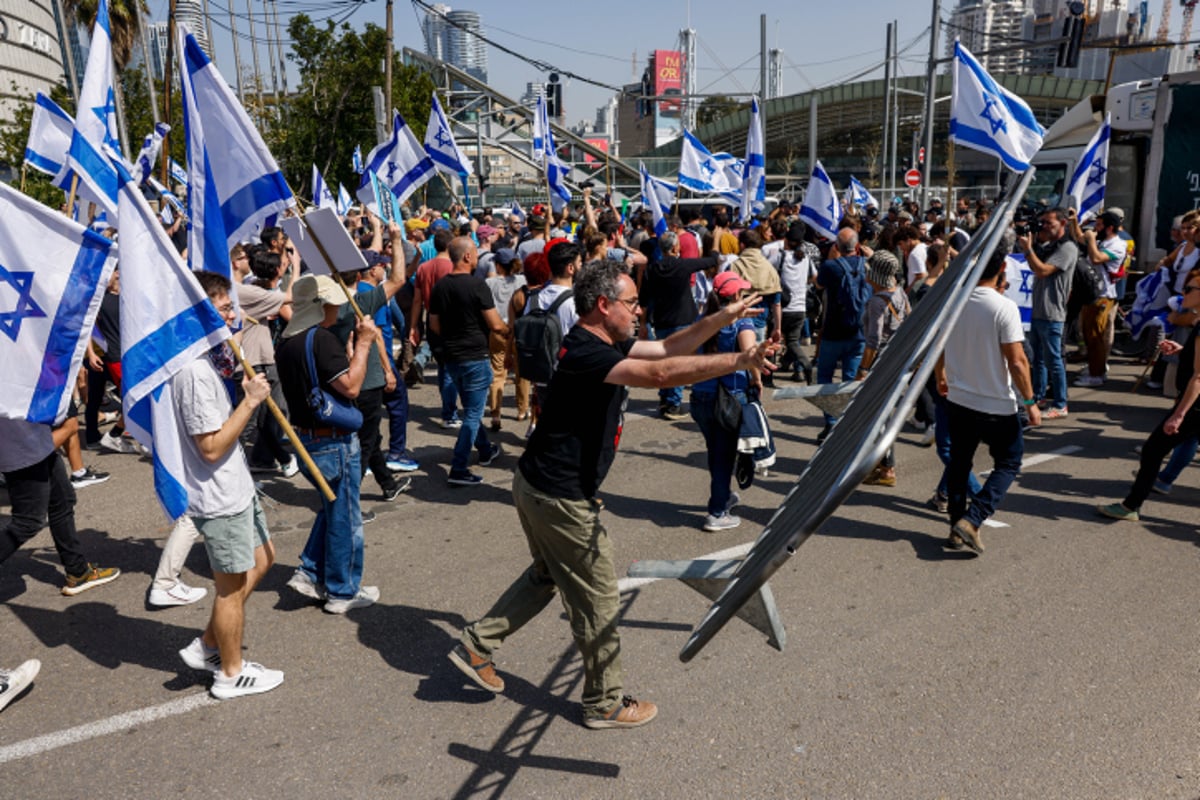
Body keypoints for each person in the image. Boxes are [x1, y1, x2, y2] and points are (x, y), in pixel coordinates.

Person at [448, 260, 778, 730]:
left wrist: (726, 317)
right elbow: (663, 374)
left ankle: (476, 646)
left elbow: (668, 346)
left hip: (539, 485)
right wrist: (739, 360)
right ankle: (604, 702)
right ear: (603, 306)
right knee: (599, 597)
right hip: (560, 495)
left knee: (547, 574)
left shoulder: (602, 339)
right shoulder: (589, 353)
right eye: (630, 303)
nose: (639, 310)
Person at [172, 271, 283, 699]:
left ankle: (208, 645)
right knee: (231, 590)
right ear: (201, 313)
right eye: (223, 308)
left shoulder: (210, 359)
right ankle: (230, 674)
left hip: (235, 487)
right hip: (217, 495)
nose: (232, 314)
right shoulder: (195, 373)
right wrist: (251, 400)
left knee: (264, 559)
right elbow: (212, 447)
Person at [277, 274, 381, 613]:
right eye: (333, 300)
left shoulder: (288, 340)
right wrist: (364, 344)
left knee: (333, 508)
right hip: (332, 441)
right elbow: (350, 387)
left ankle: (310, 570)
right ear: (321, 306)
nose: (339, 305)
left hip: (305, 439)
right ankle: (342, 591)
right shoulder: (320, 339)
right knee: (346, 518)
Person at [935, 246, 1041, 554]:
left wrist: (941, 375)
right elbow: (1018, 360)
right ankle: (973, 519)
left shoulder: (953, 300)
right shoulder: (1003, 307)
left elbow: (940, 345)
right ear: (1000, 273)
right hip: (996, 403)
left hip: (959, 398)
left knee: (959, 462)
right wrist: (1030, 401)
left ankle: (958, 525)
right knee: (1009, 462)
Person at [1097, 266, 1200, 520]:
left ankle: (1131, 506)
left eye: (1189, 288)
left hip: (1195, 406)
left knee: (1153, 450)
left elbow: (1199, 377)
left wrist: (1179, 414)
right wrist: (1181, 350)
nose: (1183, 291)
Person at [0, 417, 121, 595]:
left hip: (34, 439)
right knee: (28, 521)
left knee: (63, 500)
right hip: (21, 445)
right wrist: (65, 430)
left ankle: (78, 571)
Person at [429, 237, 507, 486]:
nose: (476, 257)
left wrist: (452, 337)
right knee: (473, 414)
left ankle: (485, 449)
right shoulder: (477, 285)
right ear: (466, 257)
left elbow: (434, 324)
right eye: (474, 253)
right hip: (475, 356)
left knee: (471, 409)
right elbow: (495, 324)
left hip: (452, 357)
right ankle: (459, 466)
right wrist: (510, 332)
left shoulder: (441, 287)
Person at [690, 272, 760, 531]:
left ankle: (723, 496)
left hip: (700, 396)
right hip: (729, 396)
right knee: (724, 456)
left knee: (716, 452)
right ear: (735, 297)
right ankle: (717, 512)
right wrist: (756, 378)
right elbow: (750, 353)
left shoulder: (703, 318)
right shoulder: (740, 322)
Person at [638, 231, 721, 419]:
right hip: (683, 320)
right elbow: (711, 260)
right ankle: (673, 403)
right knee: (679, 363)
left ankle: (665, 397)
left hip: (661, 321)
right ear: (676, 248)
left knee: (665, 361)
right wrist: (715, 240)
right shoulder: (682, 265)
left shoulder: (653, 269)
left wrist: (643, 323)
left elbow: (643, 299)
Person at [1018, 207, 1078, 419]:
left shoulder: (1068, 248)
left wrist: (1028, 250)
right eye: (1042, 223)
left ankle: (1061, 404)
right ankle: (1039, 395)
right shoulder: (1048, 246)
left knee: (1054, 360)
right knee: (1038, 359)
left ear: (1063, 223)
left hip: (1053, 312)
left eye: (1048, 223)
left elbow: (1043, 270)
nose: (1044, 227)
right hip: (1039, 310)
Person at [813, 228, 869, 442]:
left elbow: (818, 283)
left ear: (836, 246)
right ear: (857, 246)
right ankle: (847, 424)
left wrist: (831, 258)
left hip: (833, 332)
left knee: (825, 379)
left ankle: (831, 422)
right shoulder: (866, 265)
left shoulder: (830, 267)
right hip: (858, 332)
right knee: (850, 380)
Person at [1070, 210, 1127, 386]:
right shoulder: (1102, 240)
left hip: (1103, 296)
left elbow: (1096, 258)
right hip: (1091, 293)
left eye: (1100, 225)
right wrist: (1074, 221)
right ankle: (1095, 368)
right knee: (1088, 334)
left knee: (1095, 336)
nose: (1096, 227)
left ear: (1110, 228)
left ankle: (1096, 375)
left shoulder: (1117, 245)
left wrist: (1092, 239)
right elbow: (1080, 238)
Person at [485, 248, 527, 432]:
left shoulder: (489, 283)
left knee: (497, 372)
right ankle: (522, 409)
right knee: (521, 372)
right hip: (517, 330)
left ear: (498, 265)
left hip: (497, 329)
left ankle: (495, 414)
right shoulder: (522, 281)